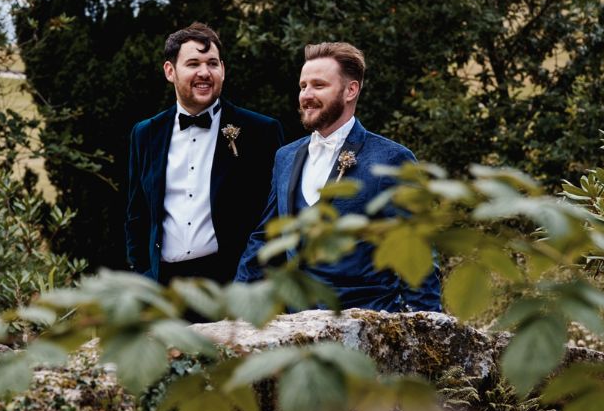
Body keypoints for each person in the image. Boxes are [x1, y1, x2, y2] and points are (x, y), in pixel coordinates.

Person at [235, 41, 441, 311]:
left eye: (318, 85)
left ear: (350, 90)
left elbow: (418, 255)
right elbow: (264, 238)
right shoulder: (284, 157)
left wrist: (427, 334)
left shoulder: (391, 159)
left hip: (366, 328)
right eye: (303, 86)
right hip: (296, 330)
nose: (306, 95)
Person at [125, 23, 285, 284]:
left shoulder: (261, 131)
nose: (204, 73)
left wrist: (251, 277)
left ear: (223, 70)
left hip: (233, 282)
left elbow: (273, 214)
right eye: (193, 64)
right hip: (164, 288)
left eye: (212, 63)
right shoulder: (145, 134)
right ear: (170, 71)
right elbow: (137, 215)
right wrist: (143, 275)